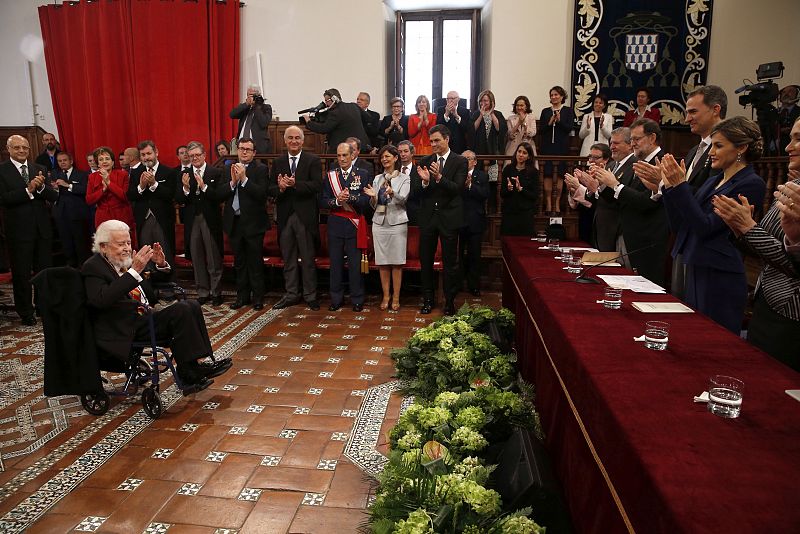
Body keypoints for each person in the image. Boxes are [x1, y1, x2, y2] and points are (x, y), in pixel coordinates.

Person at [82, 220, 231, 396]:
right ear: (103, 246)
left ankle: (194, 366)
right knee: (181, 310)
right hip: (123, 326)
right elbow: (101, 299)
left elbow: (148, 284)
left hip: (141, 318)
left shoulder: (121, 261)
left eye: (129, 243)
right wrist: (134, 271)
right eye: (121, 244)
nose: (127, 248)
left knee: (191, 305)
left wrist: (160, 265)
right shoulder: (93, 267)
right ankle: (189, 372)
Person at [658, 117, 766, 333]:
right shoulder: (712, 181)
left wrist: (681, 187)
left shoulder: (751, 183)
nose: (711, 152)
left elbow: (705, 227)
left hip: (720, 274)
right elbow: (681, 225)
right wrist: (669, 189)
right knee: (694, 333)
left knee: (714, 338)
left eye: (718, 146)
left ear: (741, 148)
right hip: (697, 264)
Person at [713, 117, 800, 368]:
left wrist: (747, 228)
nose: (787, 147)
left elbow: (792, 263)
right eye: (790, 137)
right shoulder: (793, 185)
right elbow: (768, 243)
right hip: (766, 301)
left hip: (790, 311)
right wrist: (740, 228)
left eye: (798, 139)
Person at [592, 118, 668, 285]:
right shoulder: (641, 162)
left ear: (652, 138)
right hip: (630, 236)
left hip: (648, 240)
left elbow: (646, 202)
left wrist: (614, 185)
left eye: (636, 139)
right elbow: (623, 201)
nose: (633, 143)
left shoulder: (661, 162)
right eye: (631, 139)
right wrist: (603, 186)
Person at [0, 135, 58, 325]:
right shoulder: (2, 171)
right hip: (18, 231)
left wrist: (41, 189)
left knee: (43, 271)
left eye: (25, 147)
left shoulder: (38, 168)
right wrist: (29, 190)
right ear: (9, 149)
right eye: (17, 148)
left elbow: (53, 196)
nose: (22, 151)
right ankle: (26, 311)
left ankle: (43, 307)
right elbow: (4, 199)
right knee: (22, 273)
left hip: (42, 230)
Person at [412, 124, 468, 315]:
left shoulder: (460, 161)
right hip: (428, 218)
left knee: (450, 263)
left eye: (437, 140)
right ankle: (428, 300)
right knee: (425, 261)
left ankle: (449, 302)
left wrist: (438, 177)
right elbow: (415, 193)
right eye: (431, 141)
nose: (433, 144)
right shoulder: (425, 161)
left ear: (447, 139)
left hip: (449, 219)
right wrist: (426, 181)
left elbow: (457, 188)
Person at [269, 126, 322, 311]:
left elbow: (316, 185)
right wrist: (281, 188)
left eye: (297, 138)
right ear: (285, 141)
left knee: (307, 259)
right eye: (290, 138)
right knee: (288, 258)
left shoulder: (312, 160)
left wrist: (295, 184)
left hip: (305, 217)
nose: (293, 141)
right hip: (284, 217)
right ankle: (291, 294)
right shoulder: (278, 162)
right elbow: (270, 190)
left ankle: (310, 295)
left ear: (302, 140)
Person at [219, 137, 269, 310]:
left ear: (254, 153)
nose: (244, 152)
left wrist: (245, 180)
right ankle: (242, 296)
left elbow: (263, 195)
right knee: (239, 262)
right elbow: (219, 194)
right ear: (237, 150)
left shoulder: (261, 169)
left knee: (255, 262)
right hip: (234, 222)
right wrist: (233, 182)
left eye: (248, 149)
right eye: (241, 149)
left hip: (254, 224)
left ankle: (258, 298)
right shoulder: (227, 168)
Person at [567, 129, 637, 252]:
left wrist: (595, 188)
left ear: (629, 144)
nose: (612, 147)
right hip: (602, 227)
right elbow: (594, 198)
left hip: (618, 229)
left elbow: (625, 199)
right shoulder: (611, 166)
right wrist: (588, 188)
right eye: (611, 143)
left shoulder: (634, 166)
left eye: (616, 143)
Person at [321, 142, 371, 312]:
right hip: (335, 225)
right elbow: (322, 200)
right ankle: (336, 298)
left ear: (352, 156)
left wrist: (350, 198)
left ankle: (357, 299)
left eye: (345, 155)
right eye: (339, 155)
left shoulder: (363, 174)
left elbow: (367, 200)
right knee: (335, 265)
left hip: (354, 225)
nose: (341, 158)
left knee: (355, 265)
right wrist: (336, 201)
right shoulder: (330, 176)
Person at [178, 141, 225, 306]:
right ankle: (203, 292)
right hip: (192, 220)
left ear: (204, 155)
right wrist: (185, 188)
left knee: (213, 258)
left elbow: (219, 196)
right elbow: (179, 199)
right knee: (197, 257)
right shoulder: (185, 173)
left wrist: (204, 186)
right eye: (191, 156)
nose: (195, 158)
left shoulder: (215, 172)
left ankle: (216, 292)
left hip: (210, 219)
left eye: (197, 155)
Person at [365, 145, 410, 311]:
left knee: (397, 263)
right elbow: (373, 205)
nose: (384, 159)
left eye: (388, 156)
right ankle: (386, 296)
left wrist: (392, 193)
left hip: (397, 223)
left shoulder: (404, 178)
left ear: (396, 158)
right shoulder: (377, 179)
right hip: (379, 223)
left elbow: (403, 200)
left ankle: (396, 297)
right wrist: (373, 197)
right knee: (382, 263)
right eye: (382, 157)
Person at [127, 140, 177, 266]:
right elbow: (130, 195)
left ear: (156, 152)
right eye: (143, 155)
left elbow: (171, 195)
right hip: (143, 219)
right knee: (145, 254)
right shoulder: (136, 172)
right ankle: (148, 283)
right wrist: (141, 186)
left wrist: (154, 184)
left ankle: (168, 282)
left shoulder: (168, 172)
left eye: (149, 153)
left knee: (164, 252)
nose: (146, 157)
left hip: (162, 219)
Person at [539, 85, 575, 215]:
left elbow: (569, 128)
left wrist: (559, 121)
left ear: (562, 96)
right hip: (547, 148)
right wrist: (549, 123)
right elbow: (541, 131)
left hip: (561, 148)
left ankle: (557, 204)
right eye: (552, 95)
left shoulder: (568, 111)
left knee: (559, 176)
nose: (554, 97)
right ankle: (548, 204)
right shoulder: (545, 111)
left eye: (556, 95)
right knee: (547, 175)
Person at [471, 90, 508, 213]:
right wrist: (481, 115)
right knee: (479, 179)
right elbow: (472, 130)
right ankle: (481, 206)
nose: (483, 103)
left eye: (486, 100)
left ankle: (492, 207)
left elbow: (500, 129)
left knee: (493, 181)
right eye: (481, 101)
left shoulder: (498, 114)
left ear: (491, 101)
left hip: (494, 152)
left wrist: (491, 113)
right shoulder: (476, 114)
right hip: (479, 152)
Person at [566, 143, 610, 243]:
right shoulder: (585, 173)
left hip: (600, 221)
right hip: (584, 219)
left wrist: (578, 187)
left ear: (606, 159)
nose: (591, 161)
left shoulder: (608, 175)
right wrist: (573, 191)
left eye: (596, 158)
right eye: (590, 157)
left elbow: (596, 202)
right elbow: (574, 206)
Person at [53, 152, 91, 267]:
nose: (62, 163)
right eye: (60, 161)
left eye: (64, 160)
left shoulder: (82, 174)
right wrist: (55, 189)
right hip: (61, 214)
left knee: (80, 241)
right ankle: (70, 266)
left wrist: (67, 185)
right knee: (66, 241)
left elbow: (85, 190)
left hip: (77, 214)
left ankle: (83, 266)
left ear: (71, 161)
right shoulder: (55, 174)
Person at [303, 88, 369, 154]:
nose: (326, 103)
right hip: (361, 147)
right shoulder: (354, 106)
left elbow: (324, 128)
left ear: (334, 99)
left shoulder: (335, 112)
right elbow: (368, 118)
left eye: (327, 100)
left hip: (343, 150)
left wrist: (309, 122)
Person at [86, 146, 136, 231]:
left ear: (112, 162)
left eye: (107, 158)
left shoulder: (122, 174)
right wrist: (103, 190)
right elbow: (89, 200)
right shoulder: (92, 177)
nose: (104, 161)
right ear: (98, 163)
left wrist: (109, 183)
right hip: (102, 218)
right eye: (101, 159)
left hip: (121, 215)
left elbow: (126, 197)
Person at [459, 151, 489, 295]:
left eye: (468, 159)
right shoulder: (456, 174)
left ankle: (474, 286)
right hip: (458, 220)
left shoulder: (482, 176)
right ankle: (456, 285)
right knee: (457, 255)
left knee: (474, 255)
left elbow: (484, 194)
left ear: (475, 162)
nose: (465, 161)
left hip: (475, 221)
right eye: (463, 159)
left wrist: (470, 185)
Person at [500, 142, 539, 237]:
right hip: (509, 213)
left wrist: (521, 190)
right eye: (519, 151)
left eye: (524, 153)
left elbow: (534, 196)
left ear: (529, 157)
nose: (521, 155)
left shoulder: (533, 172)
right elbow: (502, 193)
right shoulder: (508, 169)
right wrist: (509, 189)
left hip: (525, 214)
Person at [230, 84, 273, 154]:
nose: (251, 98)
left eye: (253, 95)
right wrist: (246, 104)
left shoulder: (265, 108)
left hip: (258, 146)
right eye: (249, 95)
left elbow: (264, 123)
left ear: (258, 95)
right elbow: (232, 115)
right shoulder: (245, 107)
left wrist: (256, 105)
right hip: (241, 145)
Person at [505, 95, 538, 166]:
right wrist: (519, 122)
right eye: (517, 105)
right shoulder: (511, 118)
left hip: (528, 146)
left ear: (526, 106)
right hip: (513, 147)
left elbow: (533, 133)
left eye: (522, 105)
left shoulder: (531, 117)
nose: (519, 107)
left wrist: (524, 123)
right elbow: (510, 135)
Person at [437, 91, 470, 155]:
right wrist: (446, 114)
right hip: (445, 144)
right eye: (448, 99)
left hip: (460, 145)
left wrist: (456, 115)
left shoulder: (465, 111)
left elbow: (467, 128)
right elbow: (439, 127)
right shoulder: (440, 110)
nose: (450, 101)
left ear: (458, 99)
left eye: (452, 98)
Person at [397, 140, 421, 225]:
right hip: (395, 214)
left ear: (412, 153)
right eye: (400, 152)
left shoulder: (419, 171)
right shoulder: (393, 171)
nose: (402, 154)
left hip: (414, 215)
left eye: (406, 151)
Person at [778, 85, 800, 156]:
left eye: (790, 91)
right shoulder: (772, 113)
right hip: (773, 153)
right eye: (784, 92)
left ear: (797, 96)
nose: (786, 94)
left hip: (793, 151)